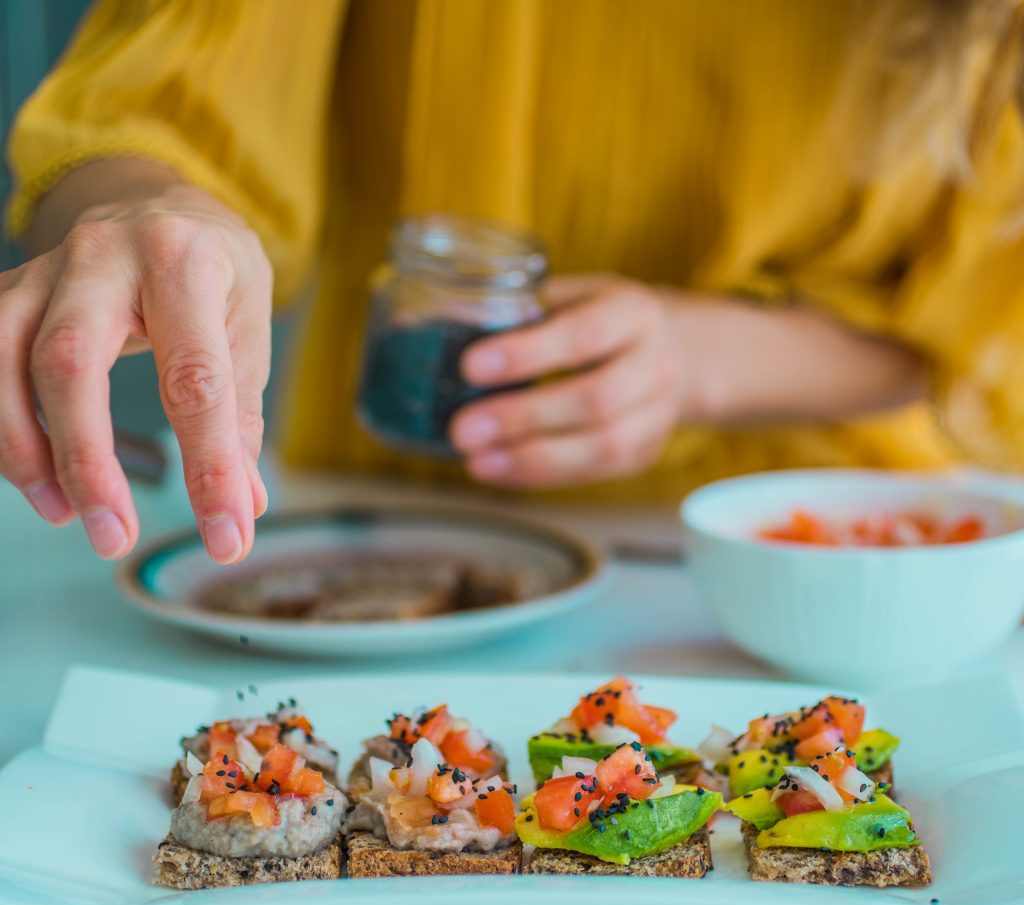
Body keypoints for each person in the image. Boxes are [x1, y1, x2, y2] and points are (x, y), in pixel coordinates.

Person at [3, 0, 1024, 566]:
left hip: (821, 552)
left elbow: (969, 327)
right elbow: (159, 108)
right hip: (396, 521)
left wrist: (694, 359)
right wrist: (142, 214)